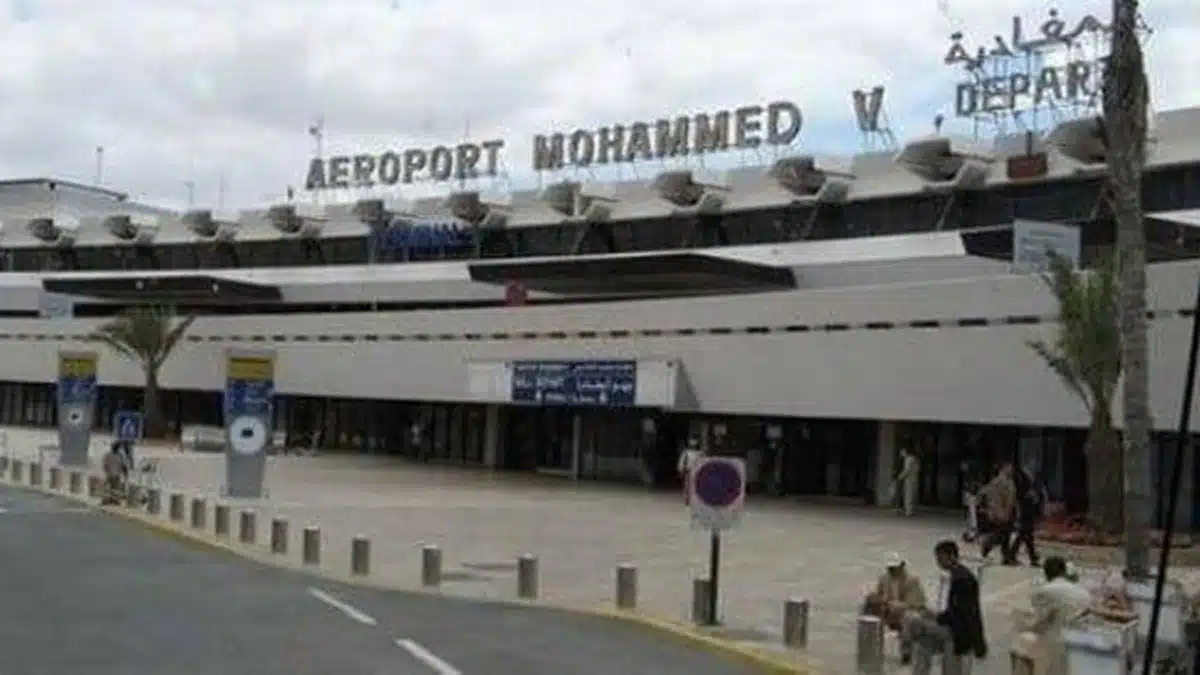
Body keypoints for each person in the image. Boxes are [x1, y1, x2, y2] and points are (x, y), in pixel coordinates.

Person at [910, 540, 988, 675]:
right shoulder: (953, 576)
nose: (938, 562)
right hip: (951, 627)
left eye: (941, 558)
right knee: (924, 643)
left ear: (952, 556)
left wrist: (935, 617)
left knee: (919, 624)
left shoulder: (962, 579)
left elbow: (967, 613)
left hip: (958, 633)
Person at [1020, 556, 1092, 675]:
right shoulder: (1084, 592)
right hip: (1082, 644)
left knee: (1022, 644)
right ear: (1064, 571)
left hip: (1057, 646)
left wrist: (1023, 625)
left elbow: (1038, 623)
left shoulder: (1045, 591)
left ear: (1046, 573)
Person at [860, 552, 928, 664]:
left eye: (894, 568)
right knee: (868, 605)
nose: (892, 571)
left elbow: (915, 603)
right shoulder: (884, 579)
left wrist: (893, 604)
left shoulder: (912, 580)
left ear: (902, 566)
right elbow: (880, 594)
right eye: (890, 568)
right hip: (888, 610)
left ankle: (906, 652)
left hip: (906, 613)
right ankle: (868, 645)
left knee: (909, 618)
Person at [978, 464, 1017, 564]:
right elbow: (992, 497)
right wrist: (996, 511)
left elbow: (1011, 499)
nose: (1011, 470)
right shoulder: (998, 482)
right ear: (1003, 469)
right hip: (1000, 513)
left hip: (1008, 512)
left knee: (1006, 535)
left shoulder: (1010, 482)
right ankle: (987, 544)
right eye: (1009, 468)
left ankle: (1006, 556)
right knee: (1001, 535)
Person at [1007, 465, 1043, 566]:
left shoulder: (1029, 478)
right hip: (1025, 509)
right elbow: (1021, 494)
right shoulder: (1021, 478)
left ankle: (1029, 556)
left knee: (1026, 535)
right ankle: (1027, 556)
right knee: (1025, 534)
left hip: (1027, 509)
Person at [676, 439, 704, 504]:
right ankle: (687, 499)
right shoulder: (686, 453)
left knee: (697, 486)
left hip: (698, 471)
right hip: (689, 471)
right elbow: (681, 462)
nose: (693, 446)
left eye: (694, 445)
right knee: (687, 486)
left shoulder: (700, 453)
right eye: (692, 445)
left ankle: (696, 499)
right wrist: (681, 470)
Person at [895, 448, 920, 516]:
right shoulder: (914, 458)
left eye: (902, 452)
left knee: (908, 495)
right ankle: (912, 510)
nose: (901, 454)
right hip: (915, 478)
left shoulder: (908, 459)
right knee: (913, 494)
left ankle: (909, 511)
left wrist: (900, 477)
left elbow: (907, 470)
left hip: (909, 479)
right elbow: (918, 468)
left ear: (905, 452)